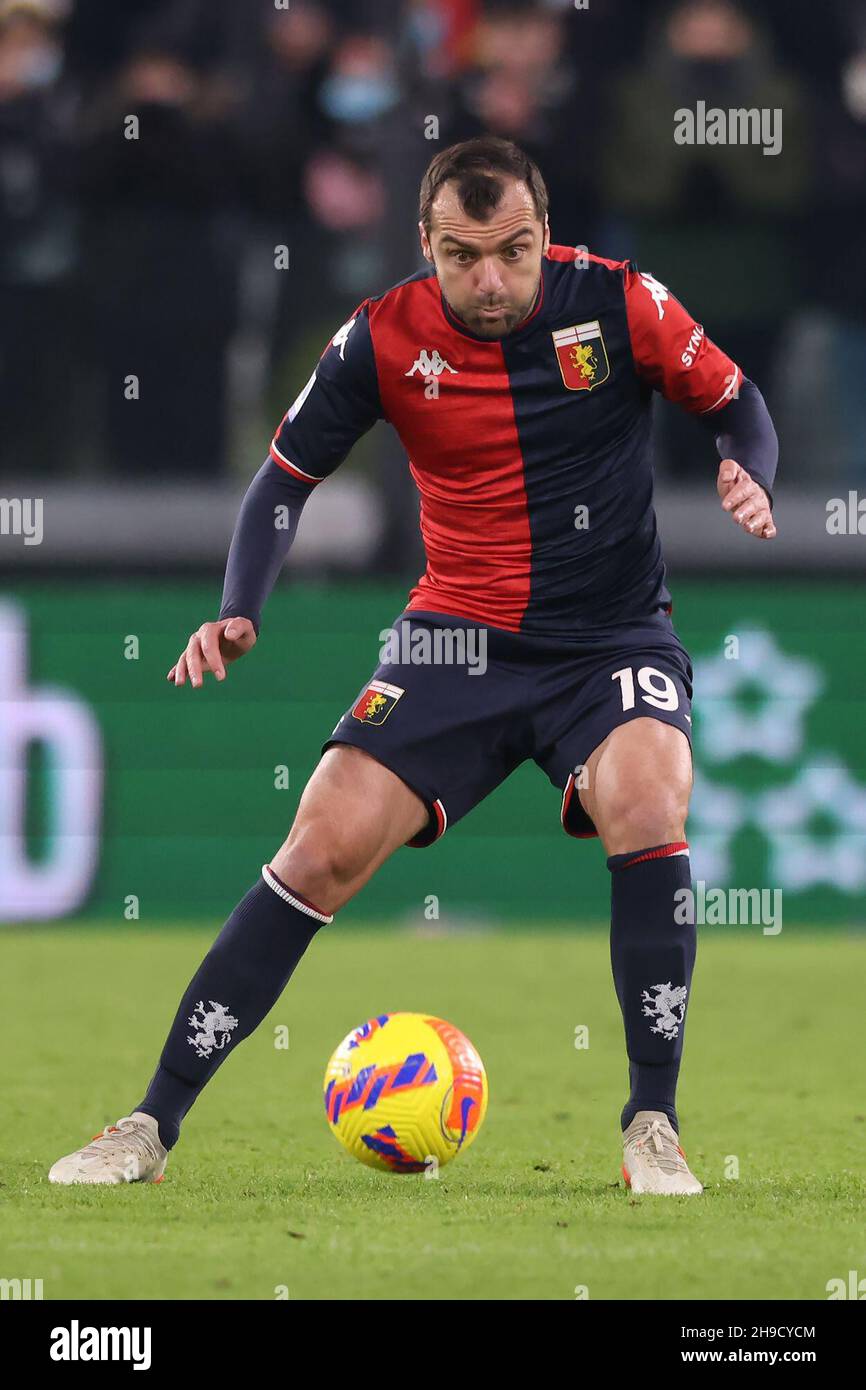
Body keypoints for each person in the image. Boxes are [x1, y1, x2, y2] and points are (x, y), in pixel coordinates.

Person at [49, 136, 777, 1195]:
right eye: (462, 255)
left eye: (513, 251)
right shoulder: (380, 337)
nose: (490, 280)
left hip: (609, 637)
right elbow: (282, 482)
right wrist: (238, 609)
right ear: (424, 245)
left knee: (647, 793)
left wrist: (742, 466)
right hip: (456, 640)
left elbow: (735, 400)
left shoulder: (621, 303)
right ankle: (148, 1124)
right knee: (319, 845)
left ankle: (649, 1123)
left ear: (544, 235)